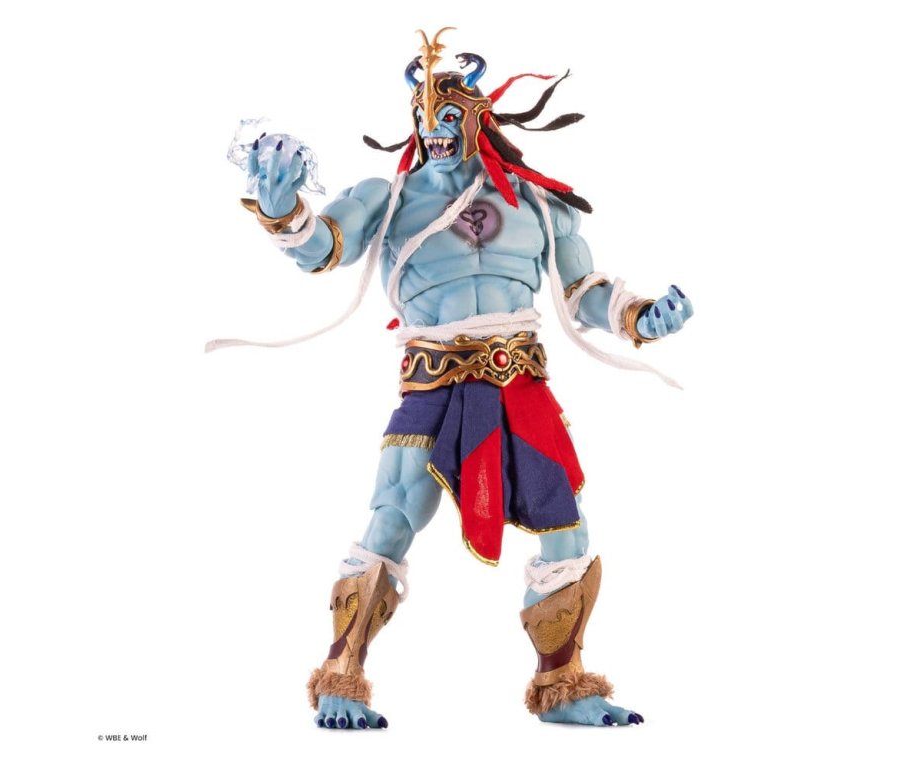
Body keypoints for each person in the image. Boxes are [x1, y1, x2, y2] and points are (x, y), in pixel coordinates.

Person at [208, 29, 693, 729]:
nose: (434, 124)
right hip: (433, 383)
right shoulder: (386, 198)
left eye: (449, 112)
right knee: (393, 518)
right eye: (424, 113)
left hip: (520, 383)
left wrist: (642, 317)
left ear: (479, 118)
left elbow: (582, 291)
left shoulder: (538, 203)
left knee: (565, 526)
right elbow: (324, 249)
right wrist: (282, 209)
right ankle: (341, 677)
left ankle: (564, 689)